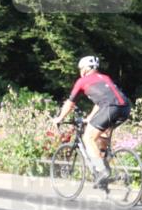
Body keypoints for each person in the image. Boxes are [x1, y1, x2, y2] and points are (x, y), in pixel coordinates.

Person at [52, 56, 131, 188]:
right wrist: (89, 117)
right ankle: (105, 163)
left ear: (84, 69)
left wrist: (59, 118)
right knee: (102, 135)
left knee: (88, 137)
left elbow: (70, 103)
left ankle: (102, 171)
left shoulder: (82, 81)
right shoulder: (105, 78)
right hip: (125, 108)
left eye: (80, 69)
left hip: (110, 108)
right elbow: (100, 102)